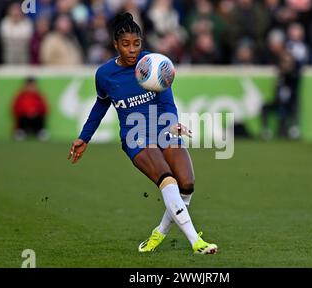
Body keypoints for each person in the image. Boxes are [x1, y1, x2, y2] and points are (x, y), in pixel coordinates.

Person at [67, 13, 218, 255]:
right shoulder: (105, 75)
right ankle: (196, 243)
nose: (132, 49)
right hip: (135, 135)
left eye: (136, 43)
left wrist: (173, 124)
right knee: (167, 178)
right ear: (115, 45)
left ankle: (159, 232)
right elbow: (100, 105)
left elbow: (167, 101)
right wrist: (84, 137)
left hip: (162, 129)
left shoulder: (154, 63)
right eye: (125, 44)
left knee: (187, 184)